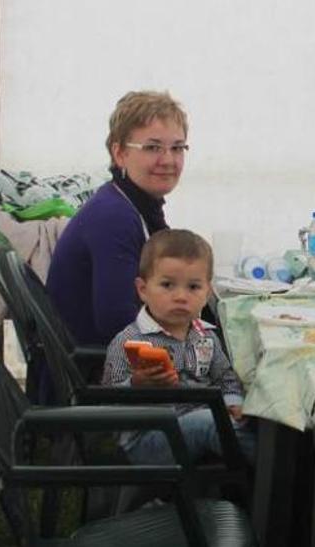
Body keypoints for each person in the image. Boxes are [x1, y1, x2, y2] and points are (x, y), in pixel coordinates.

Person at [48, 90, 188, 348]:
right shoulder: (114, 217)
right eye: (153, 147)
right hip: (99, 374)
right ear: (120, 153)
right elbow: (117, 322)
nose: (168, 160)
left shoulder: (134, 202)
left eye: (177, 148)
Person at [101, 229, 254, 465]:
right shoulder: (128, 341)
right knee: (208, 423)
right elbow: (109, 403)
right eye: (167, 285)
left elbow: (225, 376)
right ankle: (275, 472)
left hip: (195, 424)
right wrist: (136, 385)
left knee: (254, 414)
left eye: (193, 287)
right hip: (148, 439)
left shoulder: (205, 335)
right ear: (143, 290)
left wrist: (233, 401)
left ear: (208, 292)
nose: (181, 296)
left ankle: (274, 465)